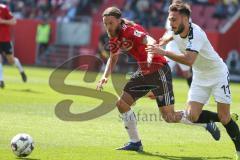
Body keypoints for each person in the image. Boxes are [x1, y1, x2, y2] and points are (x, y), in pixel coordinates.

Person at [96, 6, 220, 152]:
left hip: (159, 71)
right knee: (122, 104)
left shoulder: (130, 31)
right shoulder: (113, 35)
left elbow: (149, 39)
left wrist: (149, 54)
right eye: (106, 24)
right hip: (144, 72)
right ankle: (135, 142)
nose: (108, 27)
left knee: (169, 117)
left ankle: (206, 123)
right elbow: (113, 57)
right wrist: (105, 76)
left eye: (110, 23)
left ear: (118, 21)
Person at [146, 2, 240, 159]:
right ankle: (224, 118)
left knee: (224, 117)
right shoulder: (176, 29)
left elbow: (189, 60)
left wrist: (163, 51)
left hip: (217, 74)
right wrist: (164, 39)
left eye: (174, 20)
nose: (171, 23)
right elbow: (171, 34)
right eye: (170, 19)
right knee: (191, 116)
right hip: (200, 76)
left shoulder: (196, 34)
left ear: (185, 19)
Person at [0, 3, 27, 88]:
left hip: (5, 40)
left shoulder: (4, 8)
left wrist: (3, 21)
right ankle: (1, 80)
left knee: (11, 61)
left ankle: (21, 71)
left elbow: (14, 21)